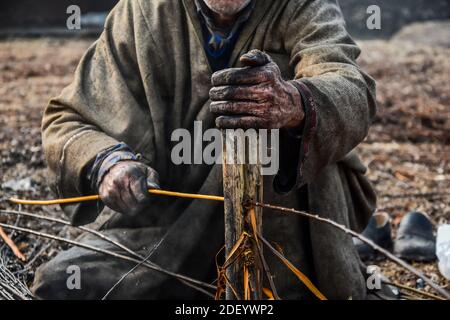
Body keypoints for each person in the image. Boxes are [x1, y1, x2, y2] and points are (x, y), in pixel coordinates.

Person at [33, 0, 377, 299]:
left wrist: (293, 102)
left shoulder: (302, 6)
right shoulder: (141, 12)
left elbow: (350, 87)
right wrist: (109, 163)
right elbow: (68, 120)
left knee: (281, 72)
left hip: (286, 237)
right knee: (60, 285)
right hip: (170, 228)